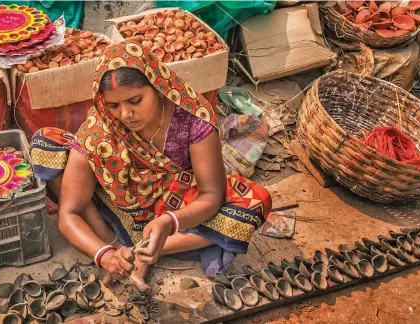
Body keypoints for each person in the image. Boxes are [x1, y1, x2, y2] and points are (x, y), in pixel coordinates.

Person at [30, 42, 272, 292]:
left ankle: (143, 253)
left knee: (255, 202)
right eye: (113, 105)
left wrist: (169, 222)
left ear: (157, 87)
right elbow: (68, 214)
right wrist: (103, 254)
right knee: (46, 144)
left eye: (135, 100)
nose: (125, 114)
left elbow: (212, 194)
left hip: (177, 206)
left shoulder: (191, 119)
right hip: (118, 204)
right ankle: (111, 242)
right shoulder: (99, 131)